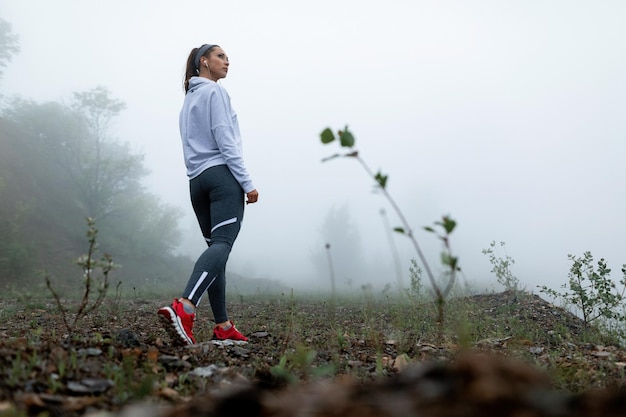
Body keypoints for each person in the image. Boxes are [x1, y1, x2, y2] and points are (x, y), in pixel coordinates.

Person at [158, 43, 258, 345]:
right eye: (220, 56)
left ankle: (223, 325)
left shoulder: (188, 100)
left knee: (217, 253)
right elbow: (225, 140)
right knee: (222, 245)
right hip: (221, 178)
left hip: (197, 182)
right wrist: (247, 182)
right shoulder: (214, 92)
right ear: (204, 62)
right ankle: (185, 306)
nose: (227, 62)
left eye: (227, 57)